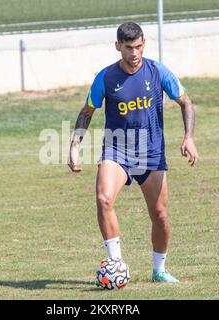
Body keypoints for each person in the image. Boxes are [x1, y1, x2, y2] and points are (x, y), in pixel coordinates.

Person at [68, 22, 198, 283]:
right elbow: (87, 112)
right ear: (118, 47)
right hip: (116, 151)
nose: (134, 53)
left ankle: (159, 270)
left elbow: (186, 103)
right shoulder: (105, 78)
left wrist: (189, 137)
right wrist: (74, 145)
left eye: (138, 46)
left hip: (151, 154)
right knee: (104, 199)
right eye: (128, 48)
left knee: (160, 215)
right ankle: (115, 263)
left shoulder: (158, 72)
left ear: (144, 44)